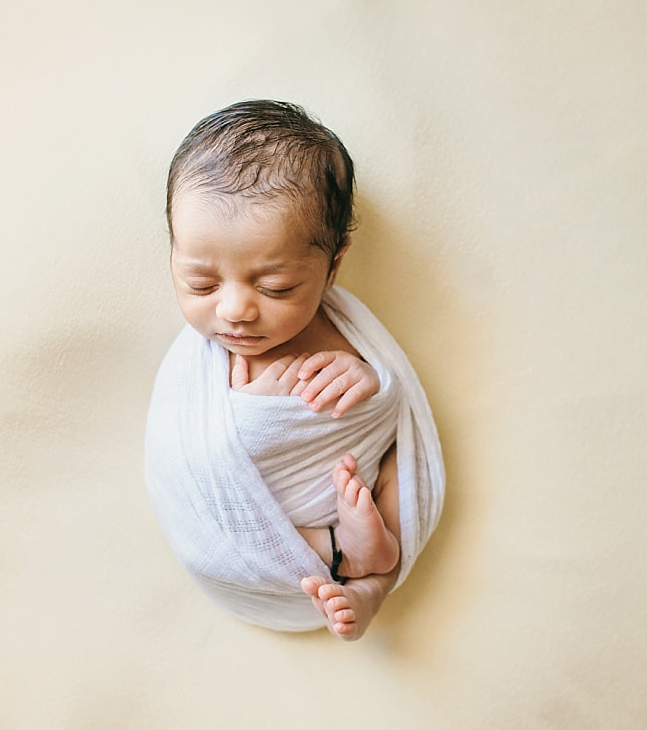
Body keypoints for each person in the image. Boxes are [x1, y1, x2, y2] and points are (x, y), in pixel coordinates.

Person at [147, 99, 443, 640]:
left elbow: (391, 407)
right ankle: (341, 552)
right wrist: (259, 403)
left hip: (357, 488)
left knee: (404, 468)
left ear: (333, 265)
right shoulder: (199, 365)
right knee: (227, 529)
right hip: (264, 528)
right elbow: (195, 455)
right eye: (201, 284)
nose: (235, 311)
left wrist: (368, 381)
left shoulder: (344, 327)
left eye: (276, 287)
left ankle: (370, 582)